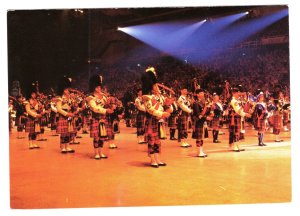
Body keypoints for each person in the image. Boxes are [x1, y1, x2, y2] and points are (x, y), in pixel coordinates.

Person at [141, 67, 171, 168]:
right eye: (154, 85)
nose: (156, 86)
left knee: (158, 141)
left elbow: (164, 106)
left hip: (159, 121)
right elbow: (151, 110)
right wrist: (162, 114)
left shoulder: (159, 96)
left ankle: (158, 158)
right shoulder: (146, 97)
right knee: (152, 141)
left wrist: (169, 107)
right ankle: (153, 159)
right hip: (151, 121)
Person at [86, 75, 114, 160]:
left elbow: (108, 104)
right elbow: (94, 108)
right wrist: (105, 111)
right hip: (96, 118)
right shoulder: (90, 98)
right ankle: (96, 153)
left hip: (103, 119)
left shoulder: (103, 97)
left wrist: (112, 107)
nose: (100, 88)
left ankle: (101, 152)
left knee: (102, 137)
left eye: (99, 87)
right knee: (96, 137)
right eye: (98, 87)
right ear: (94, 88)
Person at [55, 76, 76, 154]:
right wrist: (67, 114)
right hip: (64, 116)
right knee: (63, 133)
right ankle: (63, 147)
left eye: (67, 89)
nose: (67, 91)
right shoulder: (59, 98)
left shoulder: (69, 98)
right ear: (63, 90)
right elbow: (59, 109)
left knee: (68, 132)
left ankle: (68, 146)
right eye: (66, 90)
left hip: (69, 116)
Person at [227, 86, 251, 152]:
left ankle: (237, 146)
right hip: (235, 118)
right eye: (238, 92)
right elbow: (237, 110)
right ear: (234, 93)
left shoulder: (238, 100)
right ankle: (235, 146)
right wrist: (246, 114)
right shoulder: (233, 101)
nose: (239, 94)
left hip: (239, 117)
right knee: (236, 132)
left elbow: (243, 108)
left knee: (239, 132)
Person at [192, 89, 212, 157]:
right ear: (197, 94)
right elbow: (199, 115)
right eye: (200, 93)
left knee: (202, 137)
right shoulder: (196, 103)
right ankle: (199, 151)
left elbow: (206, 112)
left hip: (203, 122)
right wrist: (206, 117)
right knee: (199, 137)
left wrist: (210, 112)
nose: (202, 94)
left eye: (203, 93)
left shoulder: (204, 102)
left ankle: (201, 150)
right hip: (198, 122)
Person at [24, 83, 43, 149]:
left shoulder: (36, 101)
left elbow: (38, 108)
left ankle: (34, 143)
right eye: (33, 94)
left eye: (34, 94)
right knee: (31, 132)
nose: (34, 95)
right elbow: (28, 111)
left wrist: (41, 110)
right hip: (31, 118)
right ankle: (30, 144)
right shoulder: (27, 102)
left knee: (35, 131)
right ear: (30, 94)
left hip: (36, 118)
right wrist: (36, 115)